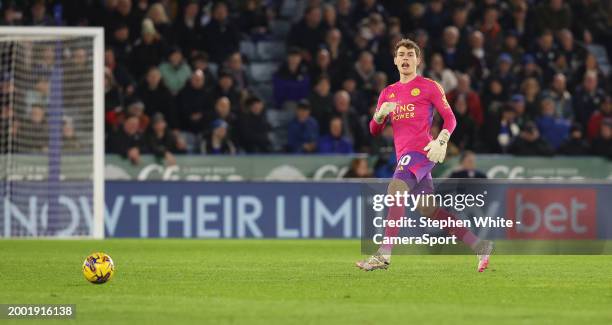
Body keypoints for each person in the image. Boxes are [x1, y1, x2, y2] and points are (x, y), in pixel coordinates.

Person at [356, 38, 493, 273]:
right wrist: (379, 116)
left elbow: (451, 118)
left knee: (396, 188)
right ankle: (479, 245)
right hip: (405, 155)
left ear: (418, 60)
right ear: (395, 60)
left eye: (411, 54)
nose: (406, 58)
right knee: (428, 210)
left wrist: (442, 140)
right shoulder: (387, 93)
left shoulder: (429, 86)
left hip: (422, 150)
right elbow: (374, 130)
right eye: (401, 54)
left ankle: (384, 254)